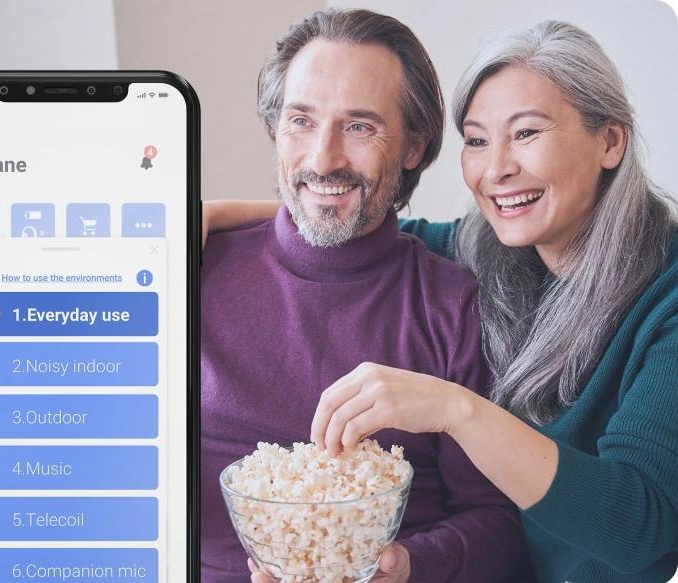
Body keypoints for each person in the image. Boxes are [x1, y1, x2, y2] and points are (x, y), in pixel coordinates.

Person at [206, 19, 678, 583]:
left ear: (610, 141)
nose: (497, 168)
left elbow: (642, 530)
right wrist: (205, 215)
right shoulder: (486, 250)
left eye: (526, 133)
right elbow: (354, 221)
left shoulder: (661, 302)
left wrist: (456, 411)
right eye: (477, 140)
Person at [201, 8, 528, 583]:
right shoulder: (193, 268)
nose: (323, 159)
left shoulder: (453, 306)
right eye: (301, 121)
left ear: (412, 145)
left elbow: (498, 523)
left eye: (359, 127)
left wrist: (407, 565)